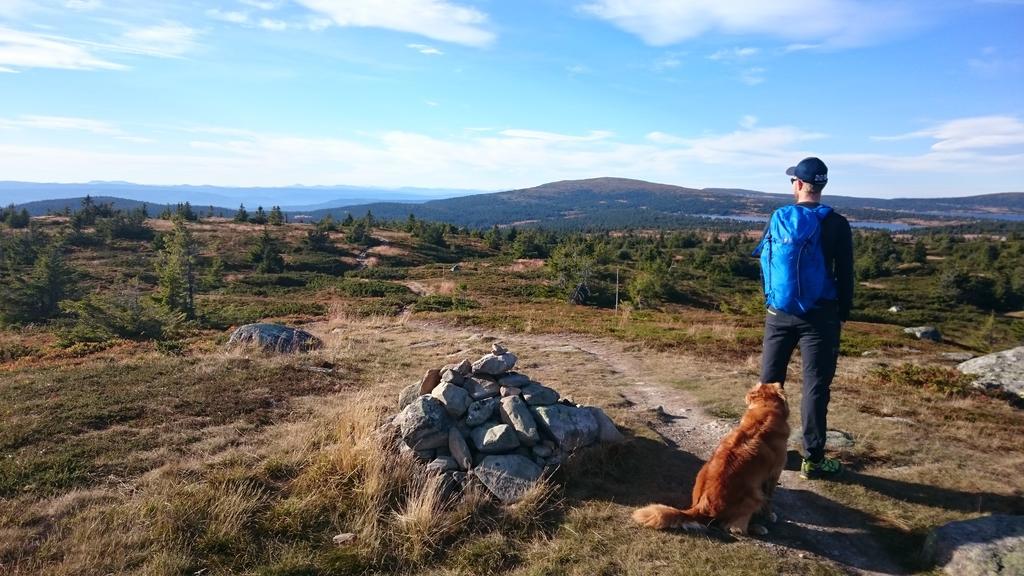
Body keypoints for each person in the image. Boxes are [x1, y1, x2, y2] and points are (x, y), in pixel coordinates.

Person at [756, 157, 853, 480]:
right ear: (822, 185)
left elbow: (767, 261)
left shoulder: (779, 217)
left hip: (779, 313)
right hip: (820, 316)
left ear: (797, 184)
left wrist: (771, 301)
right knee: (815, 387)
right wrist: (842, 313)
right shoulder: (837, 224)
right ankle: (813, 459)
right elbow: (846, 274)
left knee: (769, 384)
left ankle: (758, 451)